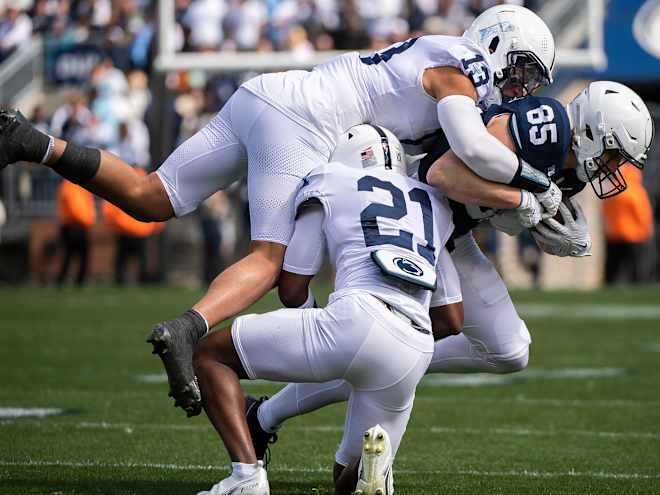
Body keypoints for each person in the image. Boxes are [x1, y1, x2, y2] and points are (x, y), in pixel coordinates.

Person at [0, 5, 559, 416]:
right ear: (498, 42)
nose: (521, 86)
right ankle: (187, 329)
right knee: (270, 262)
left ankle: (34, 144)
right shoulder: (463, 63)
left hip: (269, 94)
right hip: (304, 124)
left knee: (151, 196)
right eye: (524, 70)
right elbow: (472, 146)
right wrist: (537, 187)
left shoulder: (440, 54)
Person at [246, 82, 654, 463]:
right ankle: (276, 413)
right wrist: (520, 199)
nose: (613, 167)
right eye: (613, 154)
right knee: (392, 349)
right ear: (590, 131)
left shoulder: (570, 170)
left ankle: (279, 409)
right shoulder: (544, 129)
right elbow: (446, 174)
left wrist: (546, 232)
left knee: (509, 350)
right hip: (418, 221)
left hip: (452, 234)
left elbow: (500, 211)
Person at [192, 126, 458, 495]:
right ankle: (369, 468)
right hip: (414, 346)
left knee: (210, 355)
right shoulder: (433, 203)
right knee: (346, 481)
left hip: (355, 318)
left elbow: (292, 285)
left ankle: (246, 477)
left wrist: (317, 328)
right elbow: (452, 316)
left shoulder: (332, 179)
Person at [56, 179, 96, 286]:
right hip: (74, 226)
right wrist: (88, 220)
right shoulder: (71, 186)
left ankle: (65, 280)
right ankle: (75, 280)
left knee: (71, 256)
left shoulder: (72, 186)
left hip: (73, 226)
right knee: (77, 255)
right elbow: (77, 209)